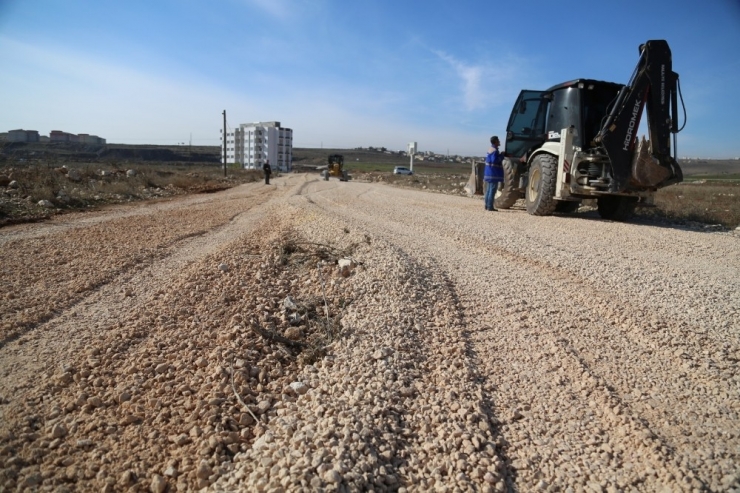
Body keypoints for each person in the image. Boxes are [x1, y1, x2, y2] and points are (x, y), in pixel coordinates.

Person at [484, 136, 504, 211]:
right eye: (498, 140)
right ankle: (490, 207)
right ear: (495, 141)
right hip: (493, 173)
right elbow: (495, 160)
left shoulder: (490, 149)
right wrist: (501, 156)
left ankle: (486, 205)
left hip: (488, 173)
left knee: (488, 190)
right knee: (492, 190)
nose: (499, 141)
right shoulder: (495, 150)